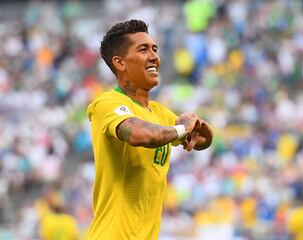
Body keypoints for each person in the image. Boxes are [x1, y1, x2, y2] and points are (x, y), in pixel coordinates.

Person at [86, 19, 213, 239]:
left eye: (155, 49)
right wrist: (182, 129)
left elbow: (200, 139)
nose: (154, 56)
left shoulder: (160, 113)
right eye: (143, 49)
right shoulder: (106, 103)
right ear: (120, 62)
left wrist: (200, 129)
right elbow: (139, 134)